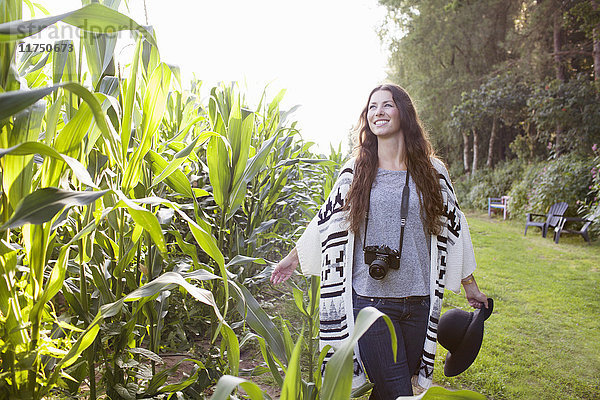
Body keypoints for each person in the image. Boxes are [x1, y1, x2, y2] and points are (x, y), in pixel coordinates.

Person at [270, 83, 488, 399]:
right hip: (370, 303)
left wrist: (470, 286)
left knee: (387, 391)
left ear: (404, 112)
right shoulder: (356, 170)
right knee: (399, 391)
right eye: (372, 107)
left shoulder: (432, 171)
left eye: (387, 105)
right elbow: (326, 222)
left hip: (418, 304)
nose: (378, 112)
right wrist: (293, 257)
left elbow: (453, 231)